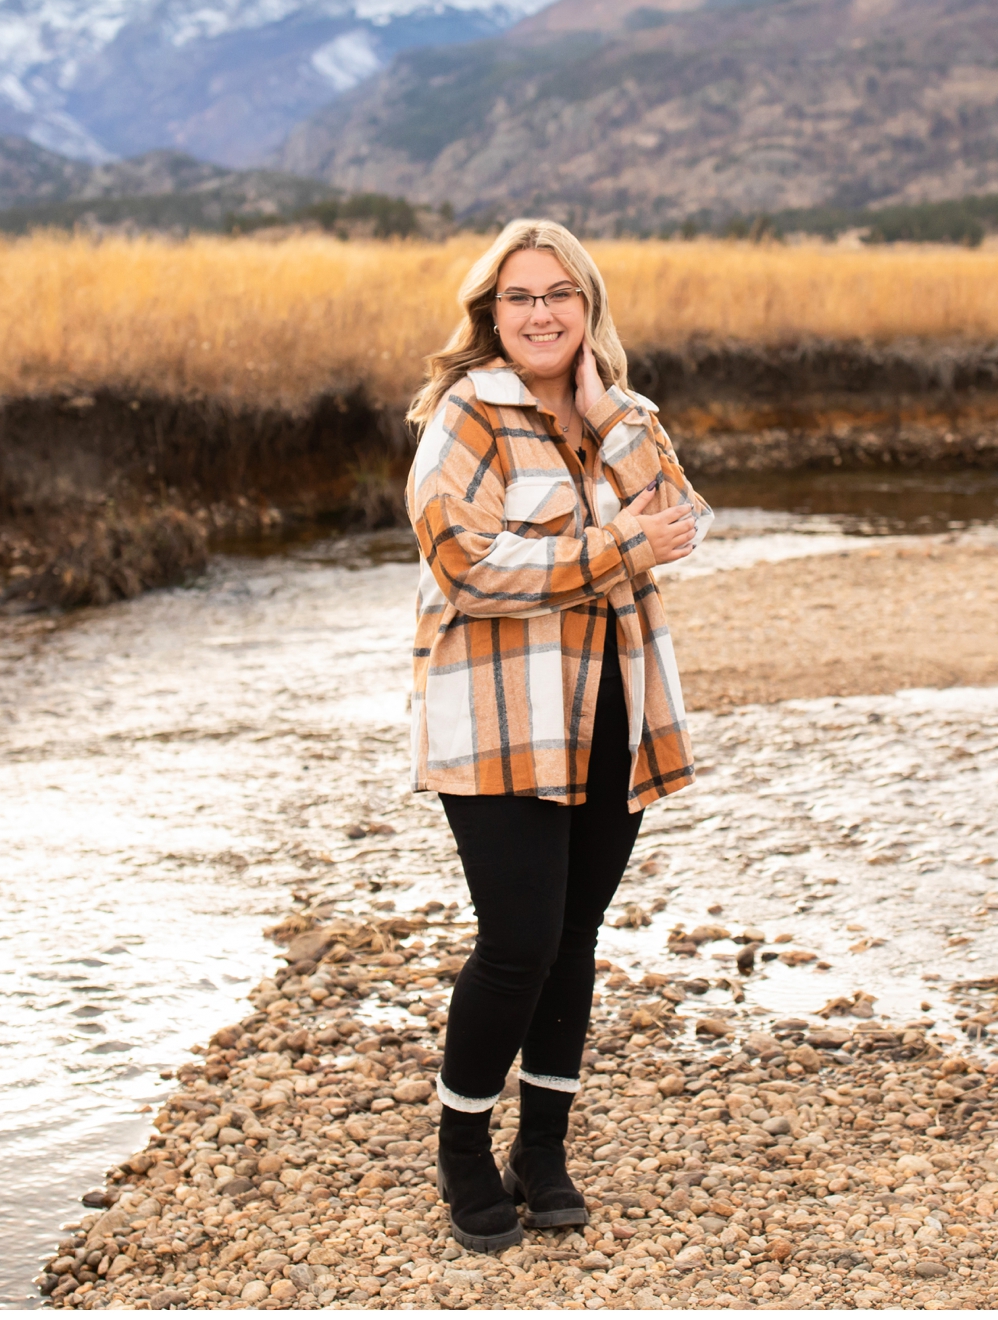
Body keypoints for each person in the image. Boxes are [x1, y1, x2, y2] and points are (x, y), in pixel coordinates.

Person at [404, 218, 713, 1252]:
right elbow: (469, 568)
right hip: (500, 722)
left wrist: (613, 419)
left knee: (573, 940)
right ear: (491, 314)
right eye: (520, 297)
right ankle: (460, 1150)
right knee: (519, 940)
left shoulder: (616, 412)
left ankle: (543, 1151)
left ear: (588, 309)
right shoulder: (467, 418)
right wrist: (617, 545)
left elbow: (682, 520)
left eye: (559, 295)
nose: (540, 313)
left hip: (612, 711)